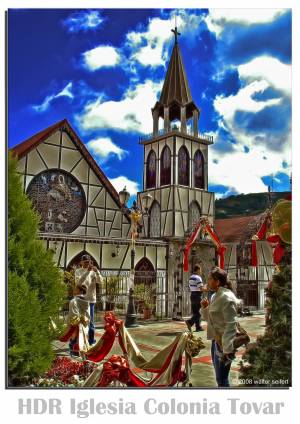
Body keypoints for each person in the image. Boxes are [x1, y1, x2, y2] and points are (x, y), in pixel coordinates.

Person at [200, 267, 242, 387]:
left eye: (209, 279)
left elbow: (231, 323)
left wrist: (227, 349)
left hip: (224, 344)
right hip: (216, 341)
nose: (207, 282)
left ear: (217, 281)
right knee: (220, 379)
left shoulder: (226, 297)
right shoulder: (215, 296)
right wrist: (205, 307)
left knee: (222, 379)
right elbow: (210, 320)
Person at [75, 254, 104, 345]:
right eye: (85, 261)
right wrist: (87, 272)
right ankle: (78, 342)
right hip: (81, 300)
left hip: (91, 300)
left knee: (91, 322)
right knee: (79, 321)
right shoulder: (78, 271)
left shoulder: (93, 272)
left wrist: (97, 272)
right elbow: (78, 283)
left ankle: (91, 340)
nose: (87, 263)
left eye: (89, 261)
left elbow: (101, 282)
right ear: (81, 262)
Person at [68, 284, 90, 356]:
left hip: (75, 324)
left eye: (75, 289)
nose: (74, 290)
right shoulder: (87, 301)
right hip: (84, 323)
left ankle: (74, 352)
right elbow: (88, 314)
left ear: (79, 290)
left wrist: (70, 323)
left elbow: (72, 314)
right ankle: (81, 353)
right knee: (81, 339)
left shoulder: (73, 301)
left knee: (74, 338)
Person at [185, 264, 206, 332]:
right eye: (200, 270)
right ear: (198, 270)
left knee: (195, 312)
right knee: (199, 313)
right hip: (197, 295)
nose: (200, 271)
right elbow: (201, 288)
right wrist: (207, 288)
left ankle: (198, 327)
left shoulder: (191, 277)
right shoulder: (198, 277)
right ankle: (190, 322)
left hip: (192, 295)